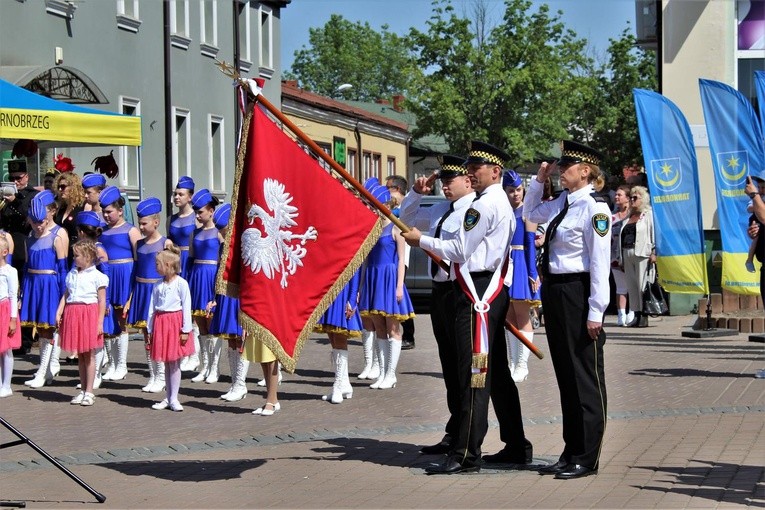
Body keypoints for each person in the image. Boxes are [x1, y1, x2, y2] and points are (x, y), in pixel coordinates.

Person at [402, 141, 532, 474]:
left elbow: (459, 250)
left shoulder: (483, 206)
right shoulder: (489, 201)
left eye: (475, 169)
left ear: (495, 172)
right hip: (477, 289)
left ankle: (466, 452)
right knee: (492, 372)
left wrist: (422, 241)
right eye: (469, 168)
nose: (469, 174)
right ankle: (514, 444)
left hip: (477, 293)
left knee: (474, 372)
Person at [524, 140, 610, 480]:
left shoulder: (595, 208)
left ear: (585, 171)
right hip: (557, 290)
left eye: (566, 166)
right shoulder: (561, 202)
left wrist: (596, 311)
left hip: (580, 290)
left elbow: (600, 263)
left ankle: (587, 457)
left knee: (584, 376)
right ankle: (570, 449)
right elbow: (529, 214)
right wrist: (537, 181)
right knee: (566, 375)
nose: (561, 170)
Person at [399, 154, 475, 454]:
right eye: (442, 181)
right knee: (448, 363)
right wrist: (417, 193)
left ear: (467, 181)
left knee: (462, 365)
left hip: (462, 291)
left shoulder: (472, 211)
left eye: (450, 180)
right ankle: (453, 428)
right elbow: (405, 221)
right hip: (440, 292)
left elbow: (459, 251)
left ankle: (464, 433)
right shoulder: (442, 209)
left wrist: (425, 241)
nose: (445, 186)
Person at [358, 178, 415, 390]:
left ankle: (391, 373)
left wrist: (400, 286)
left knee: (393, 327)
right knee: (378, 327)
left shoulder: (395, 227)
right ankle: (382, 373)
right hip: (373, 277)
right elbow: (364, 260)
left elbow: (402, 259)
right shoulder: (371, 228)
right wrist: (361, 286)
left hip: (389, 278)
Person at [21, 190, 69, 388]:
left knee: (48, 329)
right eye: (34, 222)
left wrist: (62, 296)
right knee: (41, 330)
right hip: (33, 284)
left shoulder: (59, 235)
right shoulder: (29, 237)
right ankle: (46, 368)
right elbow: (25, 266)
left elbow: (63, 268)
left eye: (41, 222)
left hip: (50, 285)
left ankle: (43, 370)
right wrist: (22, 293)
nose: (38, 226)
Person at [126, 198, 174, 393]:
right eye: (139, 223)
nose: (141, 227)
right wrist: (131, 297)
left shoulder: (166, 243)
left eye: (144, 223)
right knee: (147, 335)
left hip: (158, 293)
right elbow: (136, 270)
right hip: (142, 291)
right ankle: (153, 374)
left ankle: (161, 376)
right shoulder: (138, 244)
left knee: (158, 335)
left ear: (156, 222)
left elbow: (171, 273)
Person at [56, 240, 108, 406]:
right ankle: (83, 389)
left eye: (77, 255)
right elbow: (66, 294)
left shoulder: (98, 276)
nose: (74, 258)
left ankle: (90, 391)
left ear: (87, 257)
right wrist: (59, 311)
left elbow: (101, 301)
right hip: (73, 313)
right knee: (80, 354)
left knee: (89, 354)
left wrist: (100, 323)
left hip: (88, 314)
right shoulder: (72, 274)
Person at [206, 204, 249, 402]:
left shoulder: (244, 245)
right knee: (231, 340)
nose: (222, 234)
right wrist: (214, 298)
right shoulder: (224, 246)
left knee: (240, 340)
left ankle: (241, 383)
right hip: (225, 296)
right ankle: (235, 383)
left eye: (224, 230)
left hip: (240, 297)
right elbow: (219, 273)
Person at [98, 186, 141, 381]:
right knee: (108, 319)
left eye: (110, 212)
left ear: (120, 210)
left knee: (121, 320)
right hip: (108, 276)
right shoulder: (102, 232)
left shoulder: (131, 231)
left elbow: (139, 259)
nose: (106, 216)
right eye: (104, 212)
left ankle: (122, 364)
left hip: (125, 275)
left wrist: (133, 287)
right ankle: (112, 363)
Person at [502, 169, 540, 384]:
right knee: (508, 318)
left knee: (522, 315)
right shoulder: (504, 211)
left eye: (518, 190)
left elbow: (530, 246)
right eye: (511, 190)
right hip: (505, 265)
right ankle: (512, 361)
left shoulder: (528, 212)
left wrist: (532, 274)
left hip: (521, 265)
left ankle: (522, 364)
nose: (515, 194)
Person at [146, 245, 195, 412]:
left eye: (158, 264)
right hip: (161, 323)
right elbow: (152, 307)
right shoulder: (157, 285)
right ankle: (168, 397)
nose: (156, 267)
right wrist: (150, 329)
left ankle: (174, 398)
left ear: (167, 265)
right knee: (166, 363)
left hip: (174, 323)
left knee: (174, 363)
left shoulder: (181, 284)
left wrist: (185, 330)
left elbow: (186, 307)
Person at [187, 188, 223, 384]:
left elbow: (223, 259)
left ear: (211, 210)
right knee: (200, 324)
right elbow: (190, 259)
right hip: (197, 278)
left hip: (211, 278)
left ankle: (215, 368)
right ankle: (205, 365)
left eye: (201, 211)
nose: (198, 215)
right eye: (196, 212)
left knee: (211, 323)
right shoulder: (194, 234)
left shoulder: (219, 233)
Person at [75, 211, 114, 390]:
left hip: (95, 302)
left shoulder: (97, 248)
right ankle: (91, 376)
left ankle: (96, 374)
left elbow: (106, 275)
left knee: (95, 340)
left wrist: (106, 303)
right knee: (88, 342)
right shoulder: (81, 249)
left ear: (82, 232)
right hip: (81, 300)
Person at [314, 269, 362, 404]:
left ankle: (338, 385)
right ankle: (344, 384)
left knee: (340, 335)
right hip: (327, 290)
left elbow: (356, 268)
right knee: (332, 336)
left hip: (343, 291)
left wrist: (352, 299)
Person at [167, 176, 200, 372]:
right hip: (176, 262)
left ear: (190, 197)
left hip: (190, 261)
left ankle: (195, 355)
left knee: (193, 309)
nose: (177, 197)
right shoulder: (172, 218)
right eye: (175, 194)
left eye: (181, 194)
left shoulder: (196, 217)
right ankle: (185, 351)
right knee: (179, 309)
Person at [385, 174, 416, 351]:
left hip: (400, 255)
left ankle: (408, 335)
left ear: (396, 189)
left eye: (388, 187)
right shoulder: (393, 206)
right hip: (389, 255)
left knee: (400, 294)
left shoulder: (405, 206)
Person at [620, 185, 655, 328]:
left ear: (643, 199)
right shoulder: (629, 216)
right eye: (631, 197)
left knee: (642, 286)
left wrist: (654, 252)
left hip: (642, 253)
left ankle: (644, 315)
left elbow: (654, 234)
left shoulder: (648, 215)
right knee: (632, 286)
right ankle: (636, 314)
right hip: (627, 252)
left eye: (635, 198)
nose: (632, 200)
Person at [0, 235, 20, 397]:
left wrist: (13, 319)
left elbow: (13, 295)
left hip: (4, 310)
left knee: (6, 349)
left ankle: (6, 385)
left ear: (4, 252)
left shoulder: (10, 271)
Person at [611, 185, 633, 326]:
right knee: (621, 287)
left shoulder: (634, 216)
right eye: (616, 195)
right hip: (615, 256)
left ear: (627, 198)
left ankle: (633, 311)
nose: (616, 197)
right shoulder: (611, 217)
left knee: (633, 286)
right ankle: (621, 314)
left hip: (630, 255)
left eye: (620, 195)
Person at [53, 171, 86, 261]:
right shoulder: (61, 208)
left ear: (73, 188)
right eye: (58, 187)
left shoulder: (82, 207)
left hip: (75, 250)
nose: (60, 190)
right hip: (60, 250)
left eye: (63, 187)